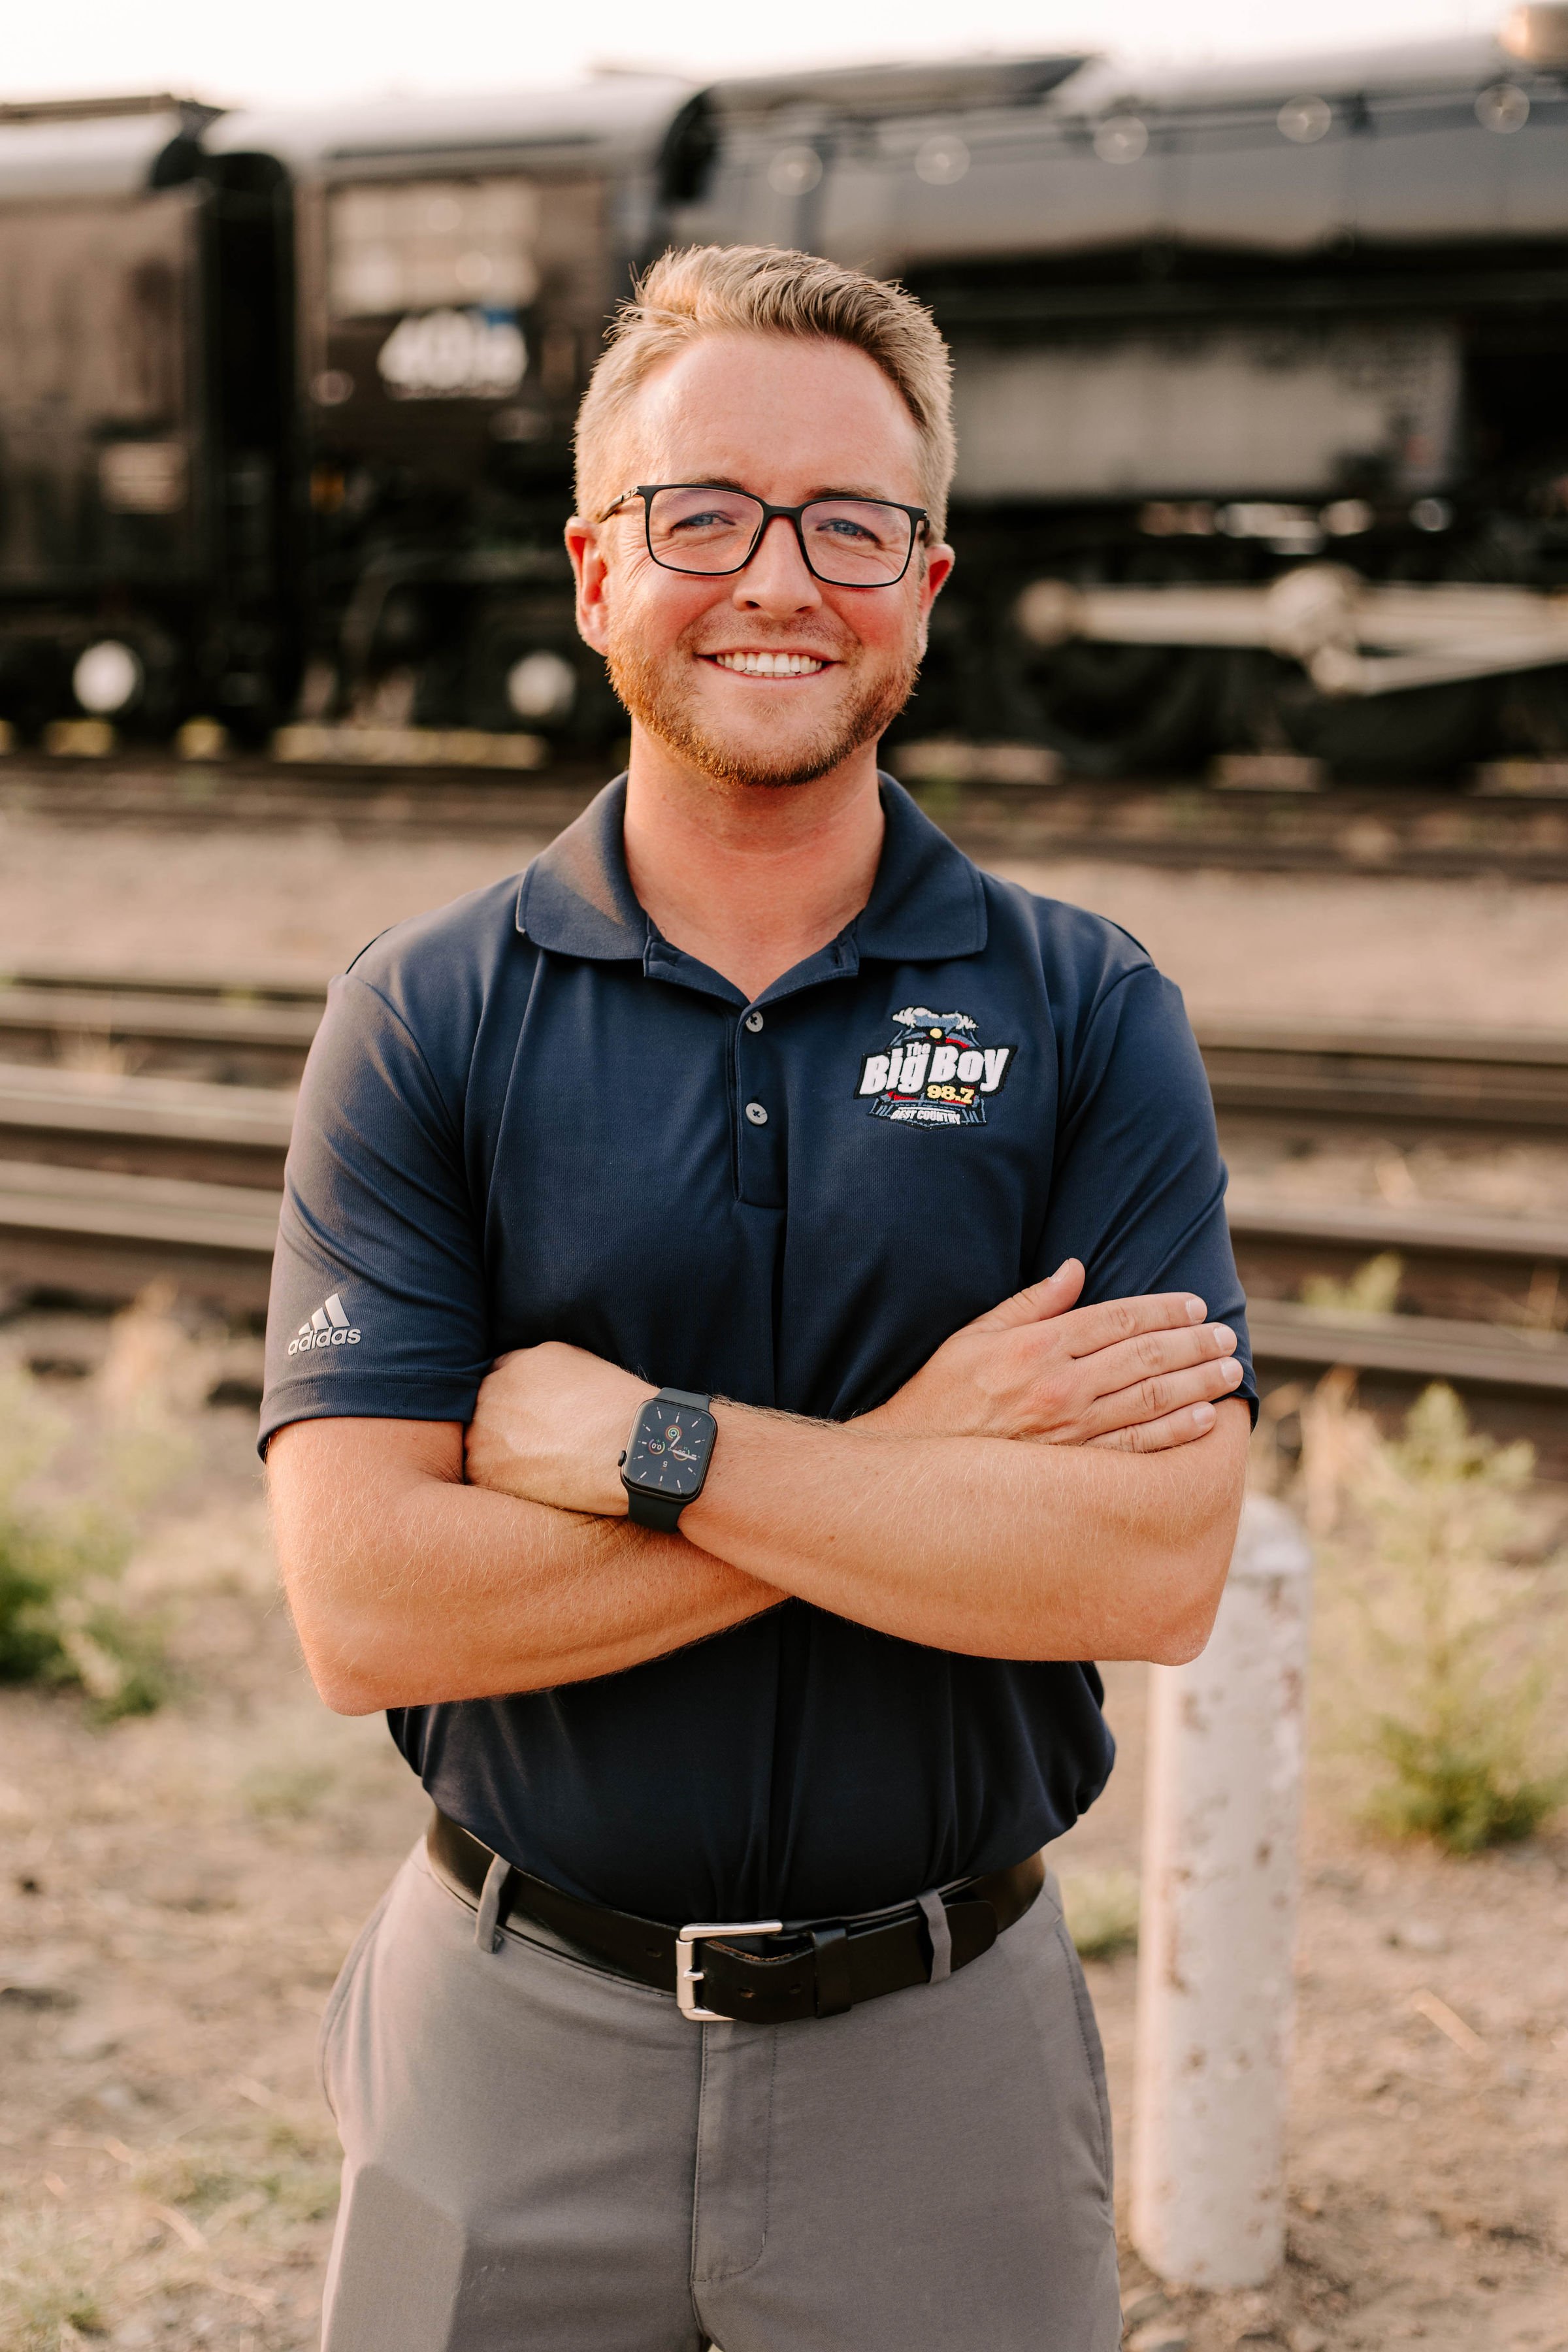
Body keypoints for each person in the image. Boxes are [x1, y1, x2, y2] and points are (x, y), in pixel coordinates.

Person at [263, 243, 1255, 2352]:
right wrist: (917, 1476)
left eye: (851, 522)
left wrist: (649, 1449)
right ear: (596, 569)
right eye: (702, 514)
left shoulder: (1087, 1012)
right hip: (503, 2036)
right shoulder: (425, 1018)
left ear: (930, 575)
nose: (778, 577)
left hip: (944, 2058)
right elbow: (371, 1608)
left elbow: (1156, 1564)